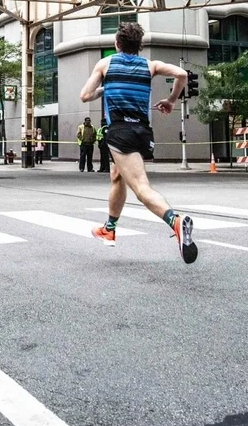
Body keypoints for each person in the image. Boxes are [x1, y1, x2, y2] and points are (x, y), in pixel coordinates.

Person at [80, 22, 198, 264]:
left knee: (141, 188)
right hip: (142, 132)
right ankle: (109, 228)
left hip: (120, 131)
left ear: (117, 44)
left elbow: (85, 95)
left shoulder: (106, 64)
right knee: (117, 175)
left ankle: (176, 221)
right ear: (139, 46)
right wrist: (171, 100)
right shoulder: (150, 65)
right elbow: (182, 74)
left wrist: (104, 89)